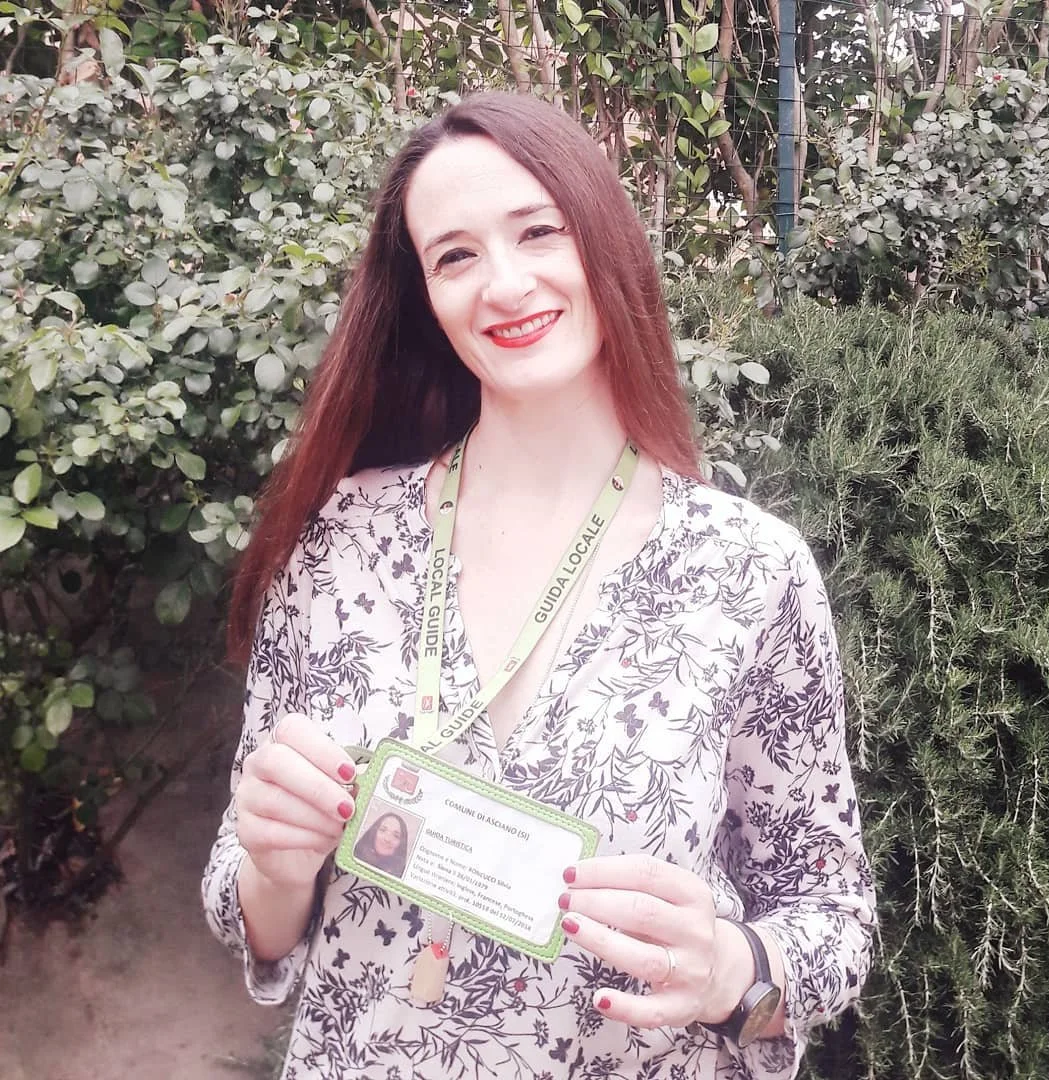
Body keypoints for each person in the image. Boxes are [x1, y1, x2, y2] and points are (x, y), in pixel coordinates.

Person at [202, 91, 875, 1080]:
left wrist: (737, 972)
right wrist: (273, 862)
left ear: (604, 244)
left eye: (537, 232)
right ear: (424, 297)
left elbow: (832, 925)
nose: (504, 284)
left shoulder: (749, 574)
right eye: (456, 256)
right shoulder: (341, 539)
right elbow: (247, 904)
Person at [353, 811, 409, 878]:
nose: (387, 839)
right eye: (383, 830)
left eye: (396, 836)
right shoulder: (354, 856)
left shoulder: (402, 875)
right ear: (374, 832)